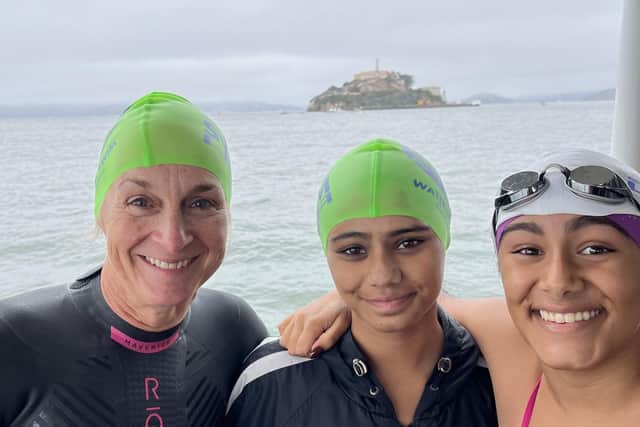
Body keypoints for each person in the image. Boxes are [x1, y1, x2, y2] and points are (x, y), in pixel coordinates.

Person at [280, 148, 640, 426]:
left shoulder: (516, 349)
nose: (558, 283)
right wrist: (351, 298)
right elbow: (437, 300)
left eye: (596, 249)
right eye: (528, 250)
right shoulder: (512, 346)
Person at [0, 92, 267, 426]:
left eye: (201, 203)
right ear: (101, 213)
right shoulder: (12, 342)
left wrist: (344, 311)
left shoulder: (235, 329)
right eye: (141, 202)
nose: (173, 237)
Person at [226, 139, 497, 427]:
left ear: (444, 240)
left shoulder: (503, 374)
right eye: (353, 250)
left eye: (408, 243)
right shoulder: (271, 380)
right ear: (327, 254)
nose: (382, 275)